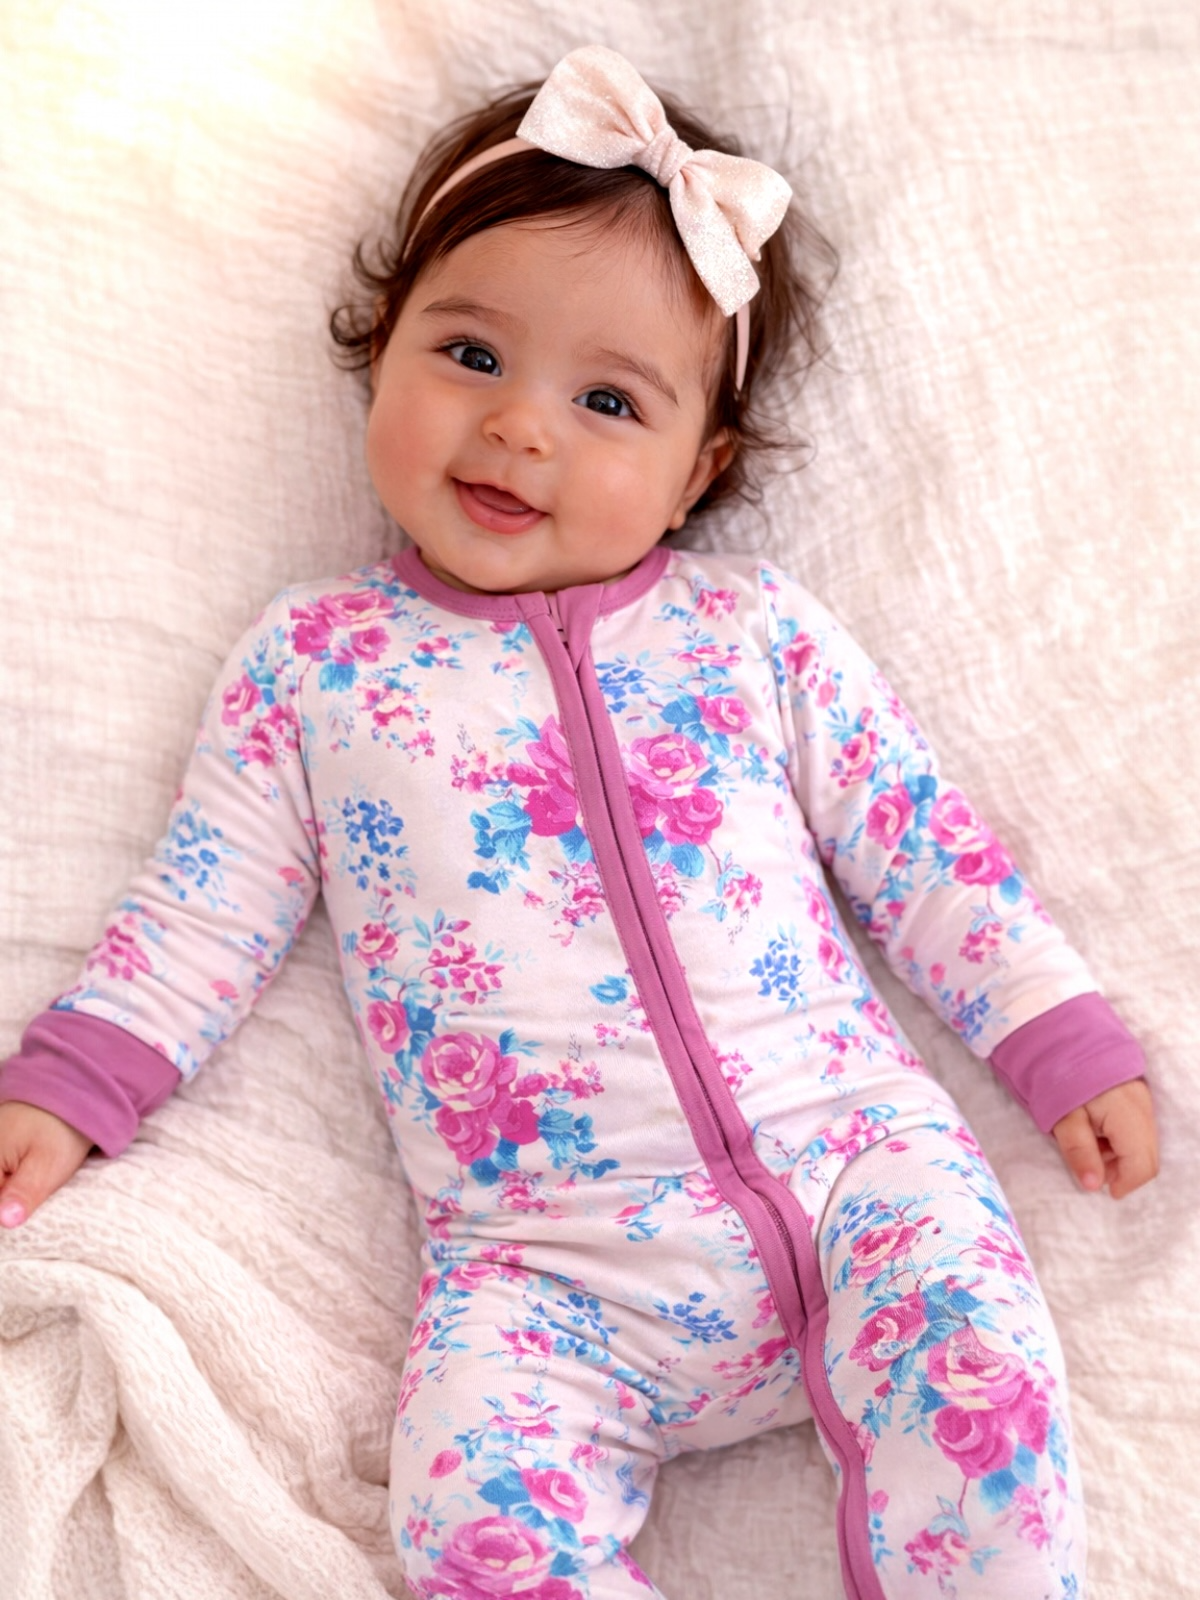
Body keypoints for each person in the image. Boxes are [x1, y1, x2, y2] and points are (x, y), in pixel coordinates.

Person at [0, 44, 1157, 1600]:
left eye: (608, 399)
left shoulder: (755, 633)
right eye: (469, 357)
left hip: (858, 1169)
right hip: (546, 1266)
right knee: (469, 1525)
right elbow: (203, 909)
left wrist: (1055, 1033)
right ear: (382, 346)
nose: (520, 429)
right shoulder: (320, 665)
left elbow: (922, 848)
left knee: (985, 1381)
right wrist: (76, 1080)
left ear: (699, 474)